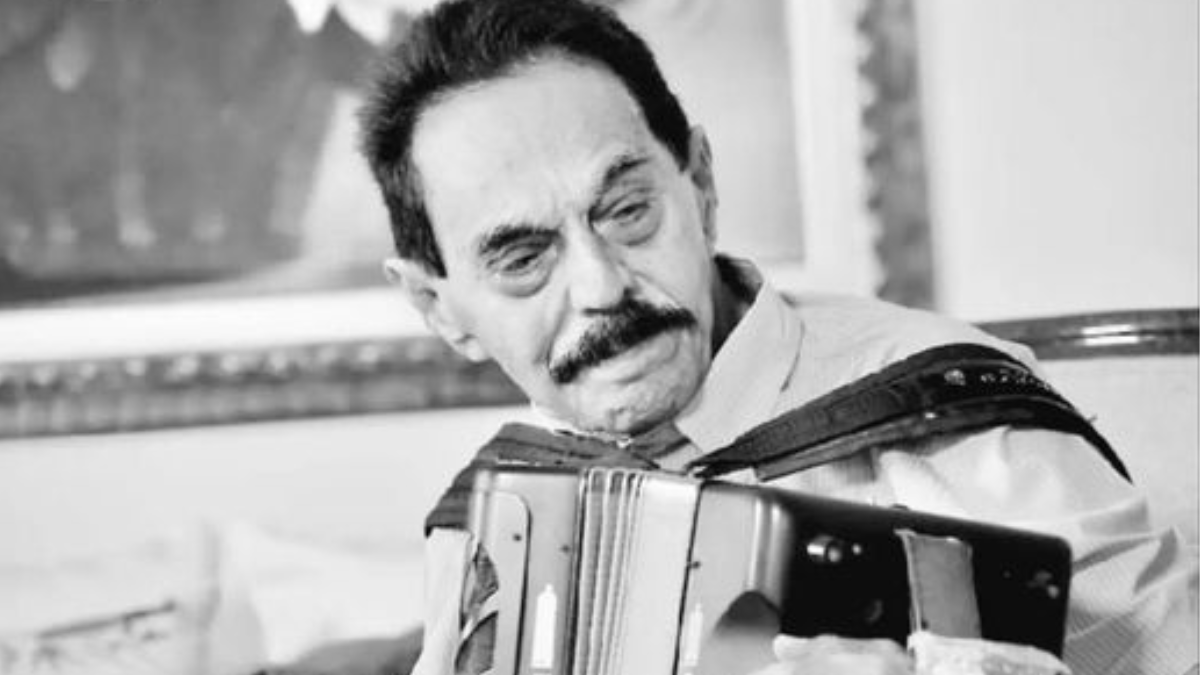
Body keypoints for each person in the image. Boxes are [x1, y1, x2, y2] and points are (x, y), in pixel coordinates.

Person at [356, 0, 1198, 673]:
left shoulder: (962, 420)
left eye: (627, 209)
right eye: (522, 258)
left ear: (701, 186)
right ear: (439, 307)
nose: (602, 287)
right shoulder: (491, 511)